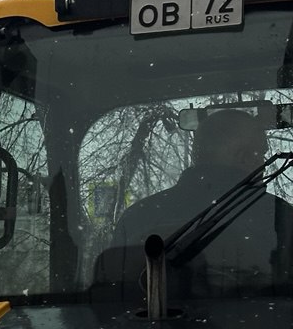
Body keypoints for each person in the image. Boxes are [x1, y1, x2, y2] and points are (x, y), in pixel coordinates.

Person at [98, 107, 293, 298]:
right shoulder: (280, 217)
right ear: (244, 157)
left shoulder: (137, 216)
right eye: (261, 154)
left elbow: (115, 300)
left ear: (196, 156)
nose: (264, 165)